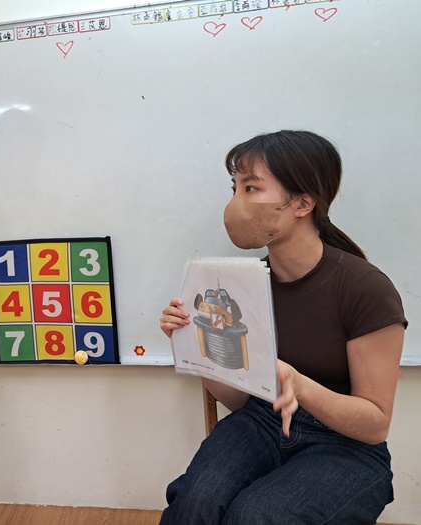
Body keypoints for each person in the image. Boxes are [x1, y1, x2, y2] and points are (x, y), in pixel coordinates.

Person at [159, 130, 407, 525]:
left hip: (346, 445)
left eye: (251, 187)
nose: (236, 203)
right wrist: (195, 343)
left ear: (303, 204)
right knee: (193, 506)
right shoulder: (241, 286)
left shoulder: (365, 289)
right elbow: (240, 401)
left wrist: (299, 385)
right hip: (262, 420)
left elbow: (374, 425)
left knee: (255, 516)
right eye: (235, 188)